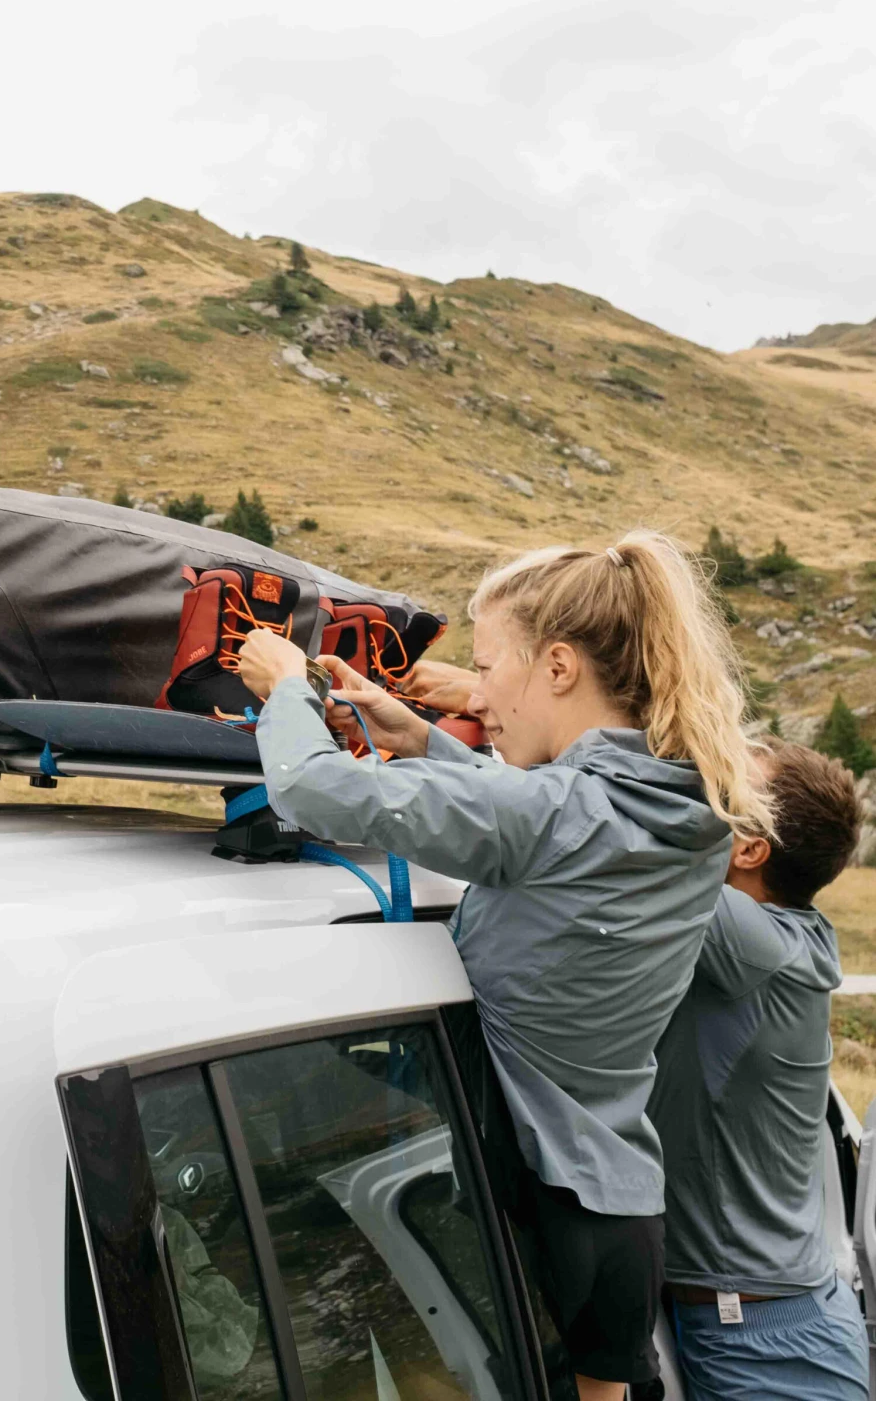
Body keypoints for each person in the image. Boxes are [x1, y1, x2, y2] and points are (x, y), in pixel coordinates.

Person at [238, 533, 771, 1401]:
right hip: (617, 1209)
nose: (478, 695)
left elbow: (315, 790)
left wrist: (287, 688)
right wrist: (422, 737)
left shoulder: (555, 814)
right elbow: (548, 823)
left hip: (520, 1213)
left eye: (488, 668)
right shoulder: (688, 807)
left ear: (558, 666)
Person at [648, 741, 866, 1400]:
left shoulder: (749, 942)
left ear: (748, 850)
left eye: (721, 789)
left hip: (769, 1352)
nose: (700, 786)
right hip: (772, 1323)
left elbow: (613, 825)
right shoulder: (788, 932)